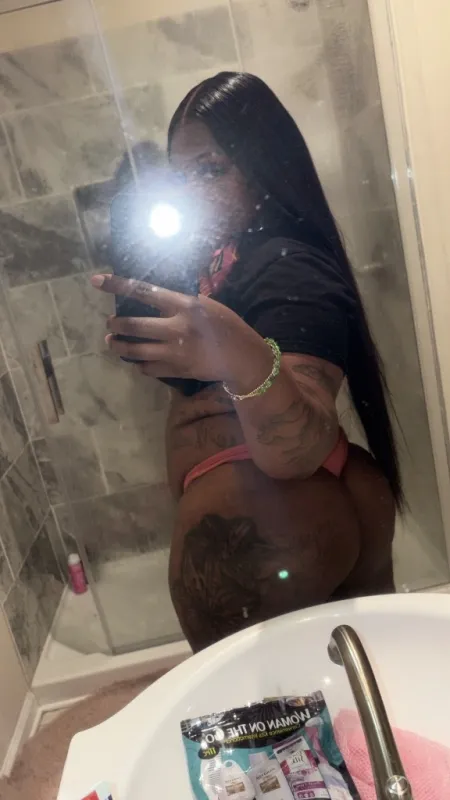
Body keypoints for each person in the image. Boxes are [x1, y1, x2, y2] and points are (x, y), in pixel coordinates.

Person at [92, 72, 402, 653]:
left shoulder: (287, 263)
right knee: (366, 684)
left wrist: (240, 356)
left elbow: (299, 447)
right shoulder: (226, 256)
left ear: (264, 169)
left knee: (268, 708)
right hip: (288, 509)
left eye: (211, 169)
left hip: (270, 515)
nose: (194, 191)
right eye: (182, 176)